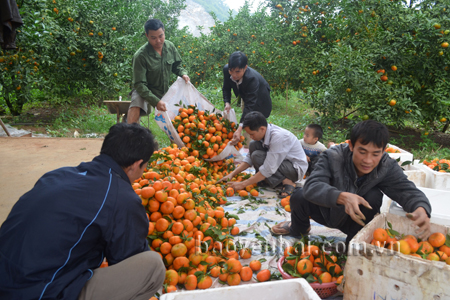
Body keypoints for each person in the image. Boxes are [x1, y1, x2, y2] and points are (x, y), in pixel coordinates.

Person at [0, 123, 165, 300]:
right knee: (153, 267)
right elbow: (128, 258)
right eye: (144, 166)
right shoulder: (121, 197)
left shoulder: (57, 175)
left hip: (8, 281)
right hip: (41, 292)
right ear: (137, 164)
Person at [270, 120, 432, 244]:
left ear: (383, 152)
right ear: (351, 146)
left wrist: (421, 207)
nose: (368, 160)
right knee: (298, 196)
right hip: (324, 211)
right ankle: (299, 228)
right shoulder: (332, 156)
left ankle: (352, 242)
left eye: (376, 154)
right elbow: (312, 186)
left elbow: (406, 190)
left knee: (373, 196)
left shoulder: (385, 165)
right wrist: (341, 196)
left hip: (353, 219)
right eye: (362, 151)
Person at [221, 111, 308, 198]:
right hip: (282, 163)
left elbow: (268, 168)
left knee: (257, 156)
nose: (251, 137)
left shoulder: (278, 137)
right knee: (253, 145)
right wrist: (232, 174)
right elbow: (249, 159)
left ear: (262, 129)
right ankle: (267, 179)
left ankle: (288, 182)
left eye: (252, 134)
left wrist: (242, 184)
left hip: (294, 169)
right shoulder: (264, 133)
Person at [127, 18, 190, 124]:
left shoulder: (170, 47)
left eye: (161, 36)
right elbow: (139, 85)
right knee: (136, 101)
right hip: (145, 91)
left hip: (165, 90)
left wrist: (183, 74)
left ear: (164, 32)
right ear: (147, 36)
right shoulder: (140, 56)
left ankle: (178, 139)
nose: (158, 41)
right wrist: (156, 102)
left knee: (183, 111)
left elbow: (177, 66)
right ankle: (129, 133)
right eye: (153, 38)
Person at [222, 51, 272, 145]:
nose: (234, 75)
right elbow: (226, 88)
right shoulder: (226, 70)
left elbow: (250, 106)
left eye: (237, 71)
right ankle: (245, 145)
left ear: (245, 68)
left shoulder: (252, 79)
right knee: (246, 122)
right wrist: (227, 103)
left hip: (260, 101)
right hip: (246, 96)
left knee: (253, 127)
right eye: (231, 71)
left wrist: (240, 128)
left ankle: (253, 149)